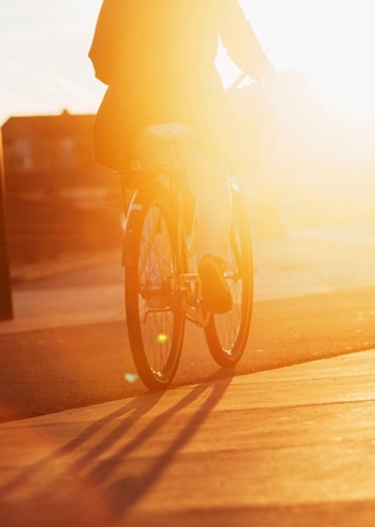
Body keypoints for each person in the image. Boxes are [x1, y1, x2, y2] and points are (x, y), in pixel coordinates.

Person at [89, 0, 274, 313]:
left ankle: (155, 280)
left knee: (151, 183)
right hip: (196, 101)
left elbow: (100, 54)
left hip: (134, 104)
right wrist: (262, 70)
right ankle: (211, 260)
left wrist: (128, 75)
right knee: (212, 177)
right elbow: (237, 36)